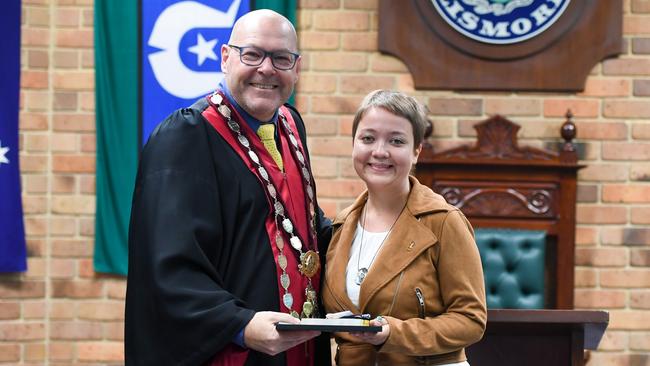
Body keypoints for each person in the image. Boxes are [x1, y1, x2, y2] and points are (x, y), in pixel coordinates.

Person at [125, 10, 331, 366]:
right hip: (235, 352)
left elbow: (298, 223)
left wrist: (373, 230)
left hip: (299, 348)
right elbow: (168, 269)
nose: (267, 69)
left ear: (297, 68)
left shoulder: (290, 125)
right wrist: (241, 325)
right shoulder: (185, 137)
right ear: (225, 57)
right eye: (252, 54)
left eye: (282, 58)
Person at [322, 90, 487, 365]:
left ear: (416, 152)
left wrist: (394, 332)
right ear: (354, 144)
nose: (379, 151)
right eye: (368, 138)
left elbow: (471, 320)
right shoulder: (340, 226)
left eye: (396, 141)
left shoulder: (444, 221)